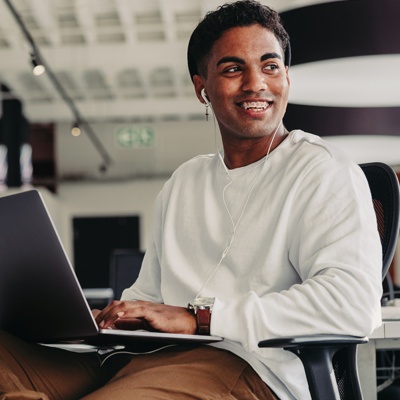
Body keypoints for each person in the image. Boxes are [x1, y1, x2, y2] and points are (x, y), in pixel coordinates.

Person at [0, 1, 382, 399]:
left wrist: (201, 318)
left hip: (249, 368)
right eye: (233, 69)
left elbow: (351, 304)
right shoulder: (186, 181)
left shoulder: (323, 171)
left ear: (286, 76)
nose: (256, 83)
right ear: (203, 88)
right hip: (143, 358)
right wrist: (121, 315)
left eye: (270, 66)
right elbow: (149, 293)